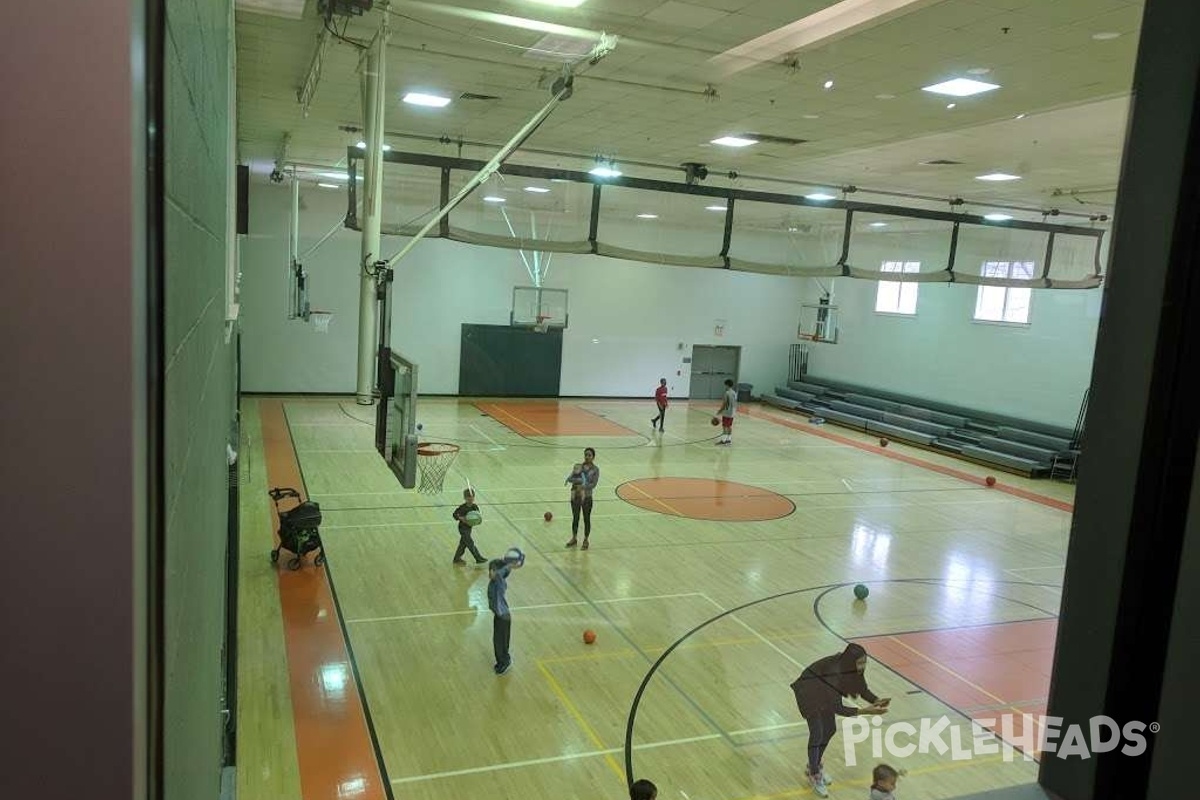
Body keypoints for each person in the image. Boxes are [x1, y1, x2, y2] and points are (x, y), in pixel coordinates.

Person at [790, 643, 890, 797]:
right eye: (860, 662)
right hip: (808, 692)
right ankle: (814, 773)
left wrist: (876, 699)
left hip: (823, 691)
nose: (863, 666)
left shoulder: (850, 666)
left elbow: (861, 688)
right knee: (817, 733)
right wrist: (866, 711)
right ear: (851, 661)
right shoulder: (834, 674)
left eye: (865, 662)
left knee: (830, 729)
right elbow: (838, 708)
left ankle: (813, 765)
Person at [487, 552, 524, 674]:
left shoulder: (499, 582)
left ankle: (504, 662)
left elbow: (501, 573)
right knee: (500, 640)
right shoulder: (494, 582)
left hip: (503, 617)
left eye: (492, 570)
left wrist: (509, 565)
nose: (490, 573)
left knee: (499, 641)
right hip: (500, 616)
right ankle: (504, 660)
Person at [565, 447, 599, 549]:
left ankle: (585, 540)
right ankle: (574, 538)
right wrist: (574, 481)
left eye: (589, 455)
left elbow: (593, 484)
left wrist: (583, 486)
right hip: (576, 497)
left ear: (593, 457)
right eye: (586, 455)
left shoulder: (595, 470)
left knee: (586, 519)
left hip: (587, 497)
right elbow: (571, 478)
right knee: (575, 518)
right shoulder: (578, 466)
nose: (587, 457)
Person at [451, 488, 487, 565]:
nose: (470, 499)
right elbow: (454, 515)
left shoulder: (475, 507)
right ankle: (478, 558)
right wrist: (461, 518)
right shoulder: (462, 507)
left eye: (472, 497)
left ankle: (456, 559)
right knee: (470, 543)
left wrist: (477, 521)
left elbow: (479, 517)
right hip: (462, 528)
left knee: (463, 544)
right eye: (468, 498)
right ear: (465, 498)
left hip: (469, 528)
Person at [714, 378, 737, 445]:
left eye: (725, 385)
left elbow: (724, 404)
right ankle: (729, 440)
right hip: (733, 411)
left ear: (727, 385)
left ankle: (723, 441)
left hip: (727, 412)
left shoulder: (727, 393)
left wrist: (719, 411)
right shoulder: (734, 393)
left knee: (724, 426)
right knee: (729, 426)